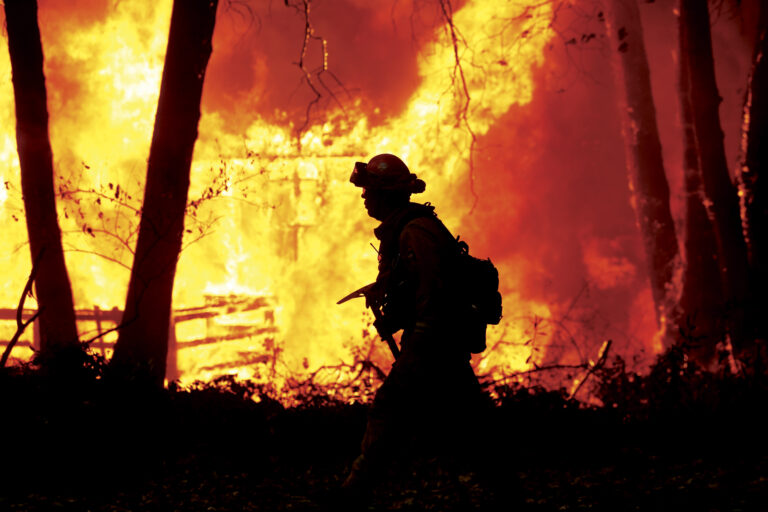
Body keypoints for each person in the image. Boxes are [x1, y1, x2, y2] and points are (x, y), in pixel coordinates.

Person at [341, 153, 485, 499]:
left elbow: (435, 292)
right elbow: (416, 283)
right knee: (472, 424)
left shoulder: (415, 232)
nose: (363, 197)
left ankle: (352, 494)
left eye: (369, 190)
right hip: (438, 344)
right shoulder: (405, 230)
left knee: (387, 411)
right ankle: (507, 492)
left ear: (386, 193)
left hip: (432, 344)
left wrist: (418, 347)